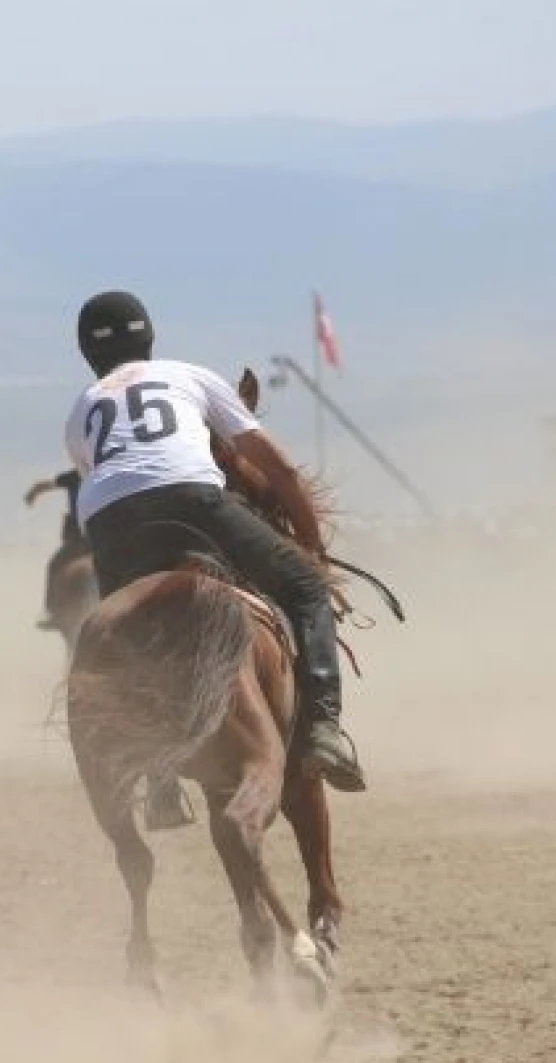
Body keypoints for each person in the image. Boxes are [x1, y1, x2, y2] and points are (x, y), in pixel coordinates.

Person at [63, 289, 364, 795]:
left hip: (109, 522)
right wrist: (310, 546)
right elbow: (277, 467)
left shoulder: (82, 409)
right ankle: (322, 729)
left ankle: (157, 778)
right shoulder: (188, 375)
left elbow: (107, 477)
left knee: (126, 635)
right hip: (192, 499)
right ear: (150, 339)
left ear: (86, 353)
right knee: (307, 589)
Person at [24, 468, 91, 630]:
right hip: (104, 537)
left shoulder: (75, 475)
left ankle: (52, 612)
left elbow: (44, 485)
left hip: (78, 540)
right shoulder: (106, 472)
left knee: (54, 566)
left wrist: (32, 493)